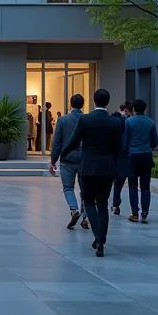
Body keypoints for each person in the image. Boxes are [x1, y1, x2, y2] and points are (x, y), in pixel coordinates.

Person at [61, 88, 124, 257]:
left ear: (94, 101)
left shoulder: (85, 119)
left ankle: (98, 237)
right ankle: (101, 240)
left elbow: (73, 140)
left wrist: (63, 154)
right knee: (102, 204)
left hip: (88, 168)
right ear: (107, 102)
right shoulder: (116, 122)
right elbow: (120, 148)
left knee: (88, 202)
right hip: (107, 168)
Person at [50, 93, 88, 231]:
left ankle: (74, 209)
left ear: (70, 104)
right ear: (82, 105)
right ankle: (86, 217)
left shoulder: (63, 120)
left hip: (68, 159)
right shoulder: (87, 119)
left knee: (68, 187)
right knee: (85, 190)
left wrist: (53, 160)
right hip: (84, 159)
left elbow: (56, 143)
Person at [125, 99, 158, 223]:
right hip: (146, 156)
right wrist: (148, 147)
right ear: (144, 108)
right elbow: (155, 141)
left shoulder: (129, 122)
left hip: (132, 156)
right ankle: (144, 214)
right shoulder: (150, 122)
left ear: (133, 108)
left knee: (132, 186)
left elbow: (124, 140)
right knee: (145, 187)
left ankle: (134, 213)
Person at [111, 101, 132, 215]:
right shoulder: (126, 128)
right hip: (123, 162)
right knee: (118, 184)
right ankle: (116, 204)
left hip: (111, 161)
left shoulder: (111, 130)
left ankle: (114, 204)